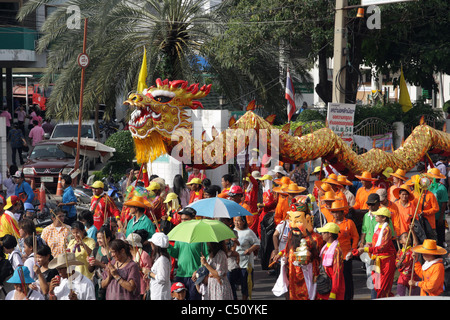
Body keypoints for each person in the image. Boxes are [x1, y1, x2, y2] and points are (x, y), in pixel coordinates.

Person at [167, 207, 208, 300]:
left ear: (193, 219)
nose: (183, 221)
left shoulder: (201, 235)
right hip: (180, 275)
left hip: (195, 277)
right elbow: (176, 253)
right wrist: (168, 246)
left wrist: (199, 271)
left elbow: (207, 257)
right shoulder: (180, 234)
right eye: (181, 219)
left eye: (186, 219)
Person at [357, 207, 396, 299]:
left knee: (384, 288)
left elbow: (382, 247)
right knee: (376, 285)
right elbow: (377, 243)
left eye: (377, 215)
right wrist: (370, 244)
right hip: (377, 259)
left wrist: (366, 250)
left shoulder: (386, 229)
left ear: (383, 218)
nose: (375, 216)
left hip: (385, 262)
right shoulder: (378, 227)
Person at [329, 199, 358, 300]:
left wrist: (353, 249)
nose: (335, 214)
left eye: (337, 211)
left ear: (342, 212)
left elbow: (355, 237)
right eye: (334, 212)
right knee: (335, 278)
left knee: (347, 278)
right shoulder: (331, 224)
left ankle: (348, 297)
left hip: (346, 256)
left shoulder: (349, 223)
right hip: (334, 256)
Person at [233, 215, 260, 300]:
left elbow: (257, 243)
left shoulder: (249, 232)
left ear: (243, 222)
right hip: (234, 262)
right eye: (235, 220)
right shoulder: (232, 231)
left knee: (245, 285)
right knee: (232, 283)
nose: (237, 223)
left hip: (246, 262)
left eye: (239, 221)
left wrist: (250, 250)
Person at [316, 222, 345, 300]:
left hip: (333, 287)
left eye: (324, 232)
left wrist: (333, 293)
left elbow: (337, 272)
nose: (321, 234)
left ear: (330, 234)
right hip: (324, 285)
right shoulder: (324, 248)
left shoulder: (336, 250)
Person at [143, 232, 171, 300]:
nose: (151, 245)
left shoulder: (162, 260)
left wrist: (149, 273)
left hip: (160, 295)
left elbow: (162, 278)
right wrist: (149, 275)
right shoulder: (161, 258)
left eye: (152, 243)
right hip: (158, 293)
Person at [88, 225, 113, 300]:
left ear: (108, 238)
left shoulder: (113, 252)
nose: (98, 240)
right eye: (97, 238)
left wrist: (99, 264)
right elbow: (90, 269)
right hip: (97, 285)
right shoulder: (95, 250)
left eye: (101, 238)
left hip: (110, 283)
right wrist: (90, 263)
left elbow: (114, 268)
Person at [426, 168, 449, 247]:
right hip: (430, 216)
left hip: (438, 216)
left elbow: (444, 203)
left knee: (440, 235)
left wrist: (441, 217)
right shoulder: (429, 187)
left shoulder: (442, 188)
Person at [126, 232, 153, 299]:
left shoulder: (144, 255)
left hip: (141, 287)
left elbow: (149, 272)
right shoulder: (127, 255)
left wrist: (140, 268)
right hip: (130, 286)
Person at [395, 232, 420, 296]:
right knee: (401, 296)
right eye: (405, 237)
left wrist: (412, 231)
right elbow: (397, 265)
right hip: (403, 278)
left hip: (413, 277)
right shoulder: (399, 252)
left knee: (414, 298)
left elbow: (416, 243)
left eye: (409, 237)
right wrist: (401, 260)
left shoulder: (412, 250)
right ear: (400, 241)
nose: (408, 238)